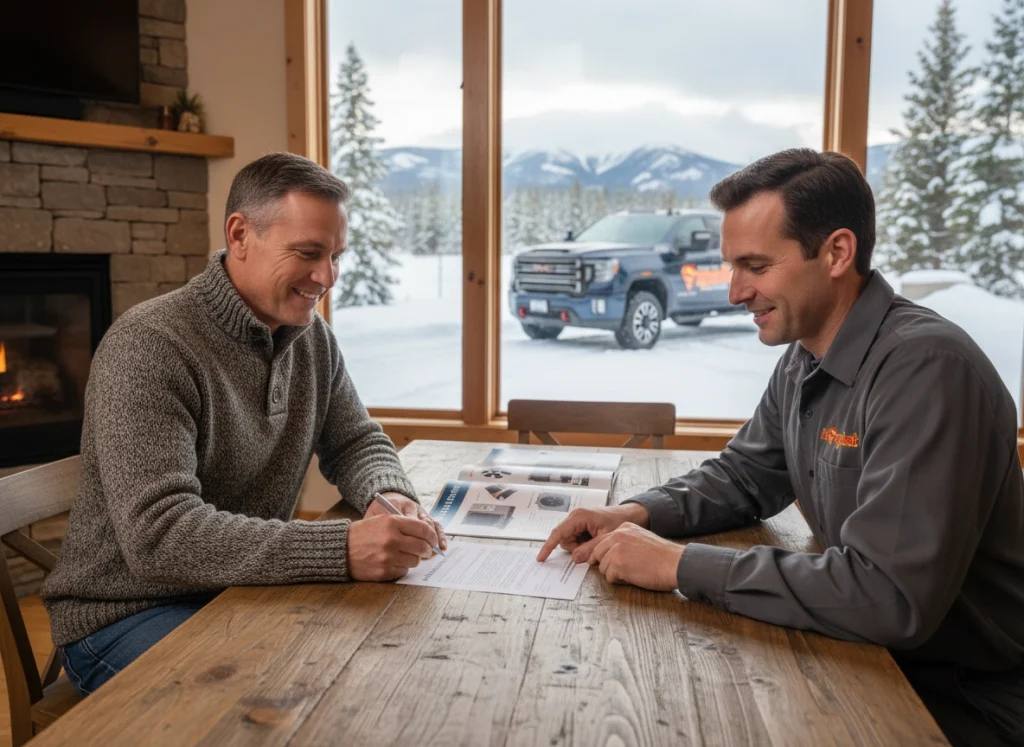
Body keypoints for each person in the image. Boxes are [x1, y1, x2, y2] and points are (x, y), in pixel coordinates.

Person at [537, 149, 1024, 746]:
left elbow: (888, 596)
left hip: (961, 700)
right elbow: (745, 475)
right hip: (864, 661)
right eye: (732, 266)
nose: (735, 291)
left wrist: (678, 565)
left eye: (756, 266)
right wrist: (633, 514)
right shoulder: (806, 354)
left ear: (837, 253)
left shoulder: (927, 370)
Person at [42, 152, 446, 696]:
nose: (327, 277)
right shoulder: (149, 345)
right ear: (239, 235)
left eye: (335, 256)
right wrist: (341, 548)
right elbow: (161, 536)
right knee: (282, 699)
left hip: (242, 587)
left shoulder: (312, 339)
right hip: (125, 614)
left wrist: (387, 494)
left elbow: (355, 440)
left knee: (364, 668)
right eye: (308, 253)